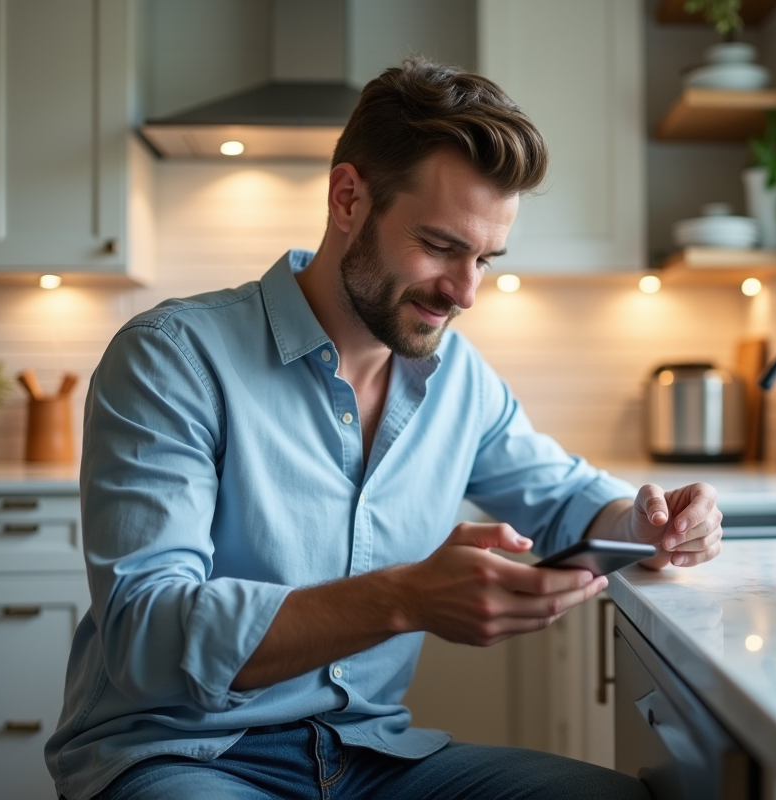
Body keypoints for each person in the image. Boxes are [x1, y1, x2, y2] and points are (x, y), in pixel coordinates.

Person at [46, 58, 723, 800]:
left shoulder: (459, 379)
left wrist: (654, 524)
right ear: (347, 199)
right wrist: (404, 599)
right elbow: (147, 634)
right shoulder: (172, 357)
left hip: (371, 756)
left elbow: (565, 498)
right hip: (182, 755)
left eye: (485, 259)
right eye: (439, 245)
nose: (465, 291)